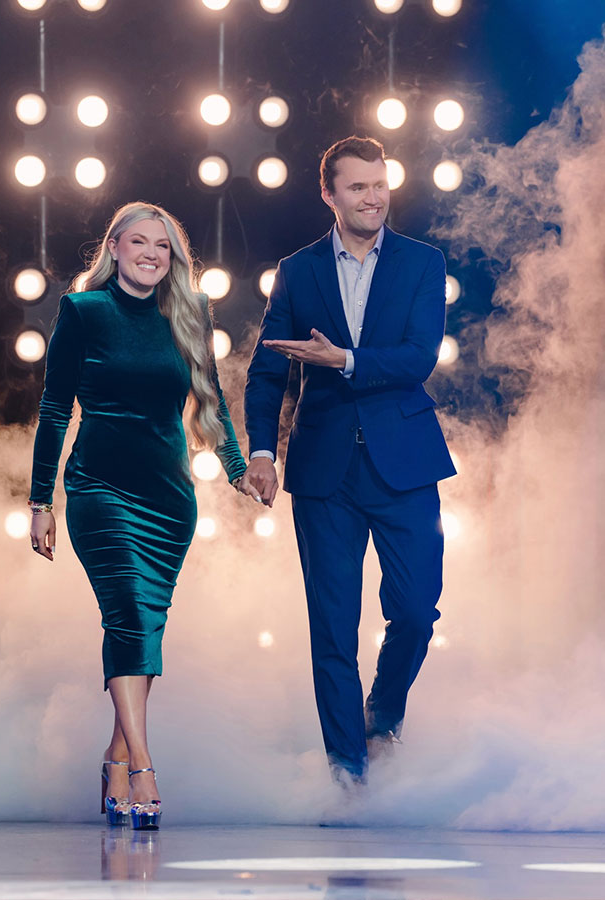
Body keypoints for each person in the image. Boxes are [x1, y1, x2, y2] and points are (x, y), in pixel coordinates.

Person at [28, 201, 259, 829]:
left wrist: (238, 471)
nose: (152, 253)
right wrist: (41, 499)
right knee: (128, 612)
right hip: (100, 489)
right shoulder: (84, 311)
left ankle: (114, 757)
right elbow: (54, 411)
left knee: (142, 629)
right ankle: (144, 765)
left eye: (163, 245)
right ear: (116, 248)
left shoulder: (188, 311)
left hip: (167, 497)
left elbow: (209, 401)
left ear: (173, 256)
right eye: (139, 242)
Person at [241, 136, 456, 784]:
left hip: (405, 464)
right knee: (333, 627)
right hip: (322, 470)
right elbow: (266, 373)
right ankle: (347, 772)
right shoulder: (298, 269)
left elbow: (420, 357)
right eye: (358, 186)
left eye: (380, 183)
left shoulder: (422, 262)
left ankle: (382, 715)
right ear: (329, 194)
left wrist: (345, 360)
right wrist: (259, 452)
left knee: (417, 610)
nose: (373, 196)